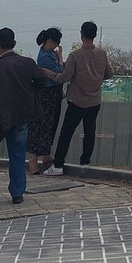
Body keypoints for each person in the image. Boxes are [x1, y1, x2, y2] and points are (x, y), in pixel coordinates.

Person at [0, 27, 50, 204]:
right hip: (22, 115)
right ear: (14, 43)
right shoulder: (27, 63)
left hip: (0, 116)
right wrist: (29, 92)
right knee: (17, 153)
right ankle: (17, 193)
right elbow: (42, 80)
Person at [43, 20, 113, 174]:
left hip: (77, 101)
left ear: (81, 34)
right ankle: (85, 163)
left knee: (66, 133)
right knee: (89, 132)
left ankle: (58, 165)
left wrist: (48, 73)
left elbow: (65, 77)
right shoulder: (102, 54)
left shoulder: (75, 56)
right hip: (94, 100)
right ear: (95, 35)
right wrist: (96, 79)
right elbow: (110, 73)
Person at [26, 27, 65, 175]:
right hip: (46, 93)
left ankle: (46, 153)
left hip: (54, 93)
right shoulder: (44, 57)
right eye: (56, 42)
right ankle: (33, 159)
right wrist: (60, 58)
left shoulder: (49, 53)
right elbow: (60, 72)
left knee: (50, 124)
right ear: (49, 41)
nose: (57, 46)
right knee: (41, 125)